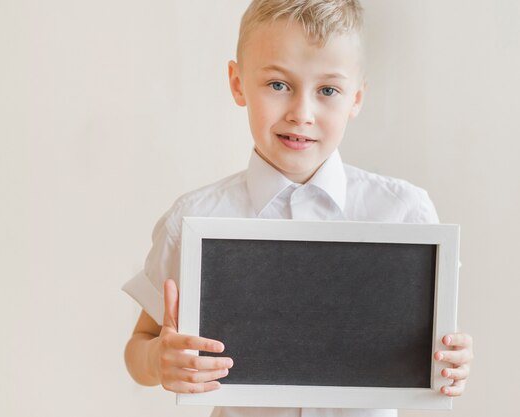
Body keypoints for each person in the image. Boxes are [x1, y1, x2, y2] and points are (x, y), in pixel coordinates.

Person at [122, 1, 474, 416]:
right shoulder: (194, 218)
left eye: (328, 90)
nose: (301, 114)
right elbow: (141, 347)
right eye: (278, 84)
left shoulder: (403, 213)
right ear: (237, 83)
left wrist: (452, 361)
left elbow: (431, 344)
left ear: (356, 97)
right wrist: (159, 360)